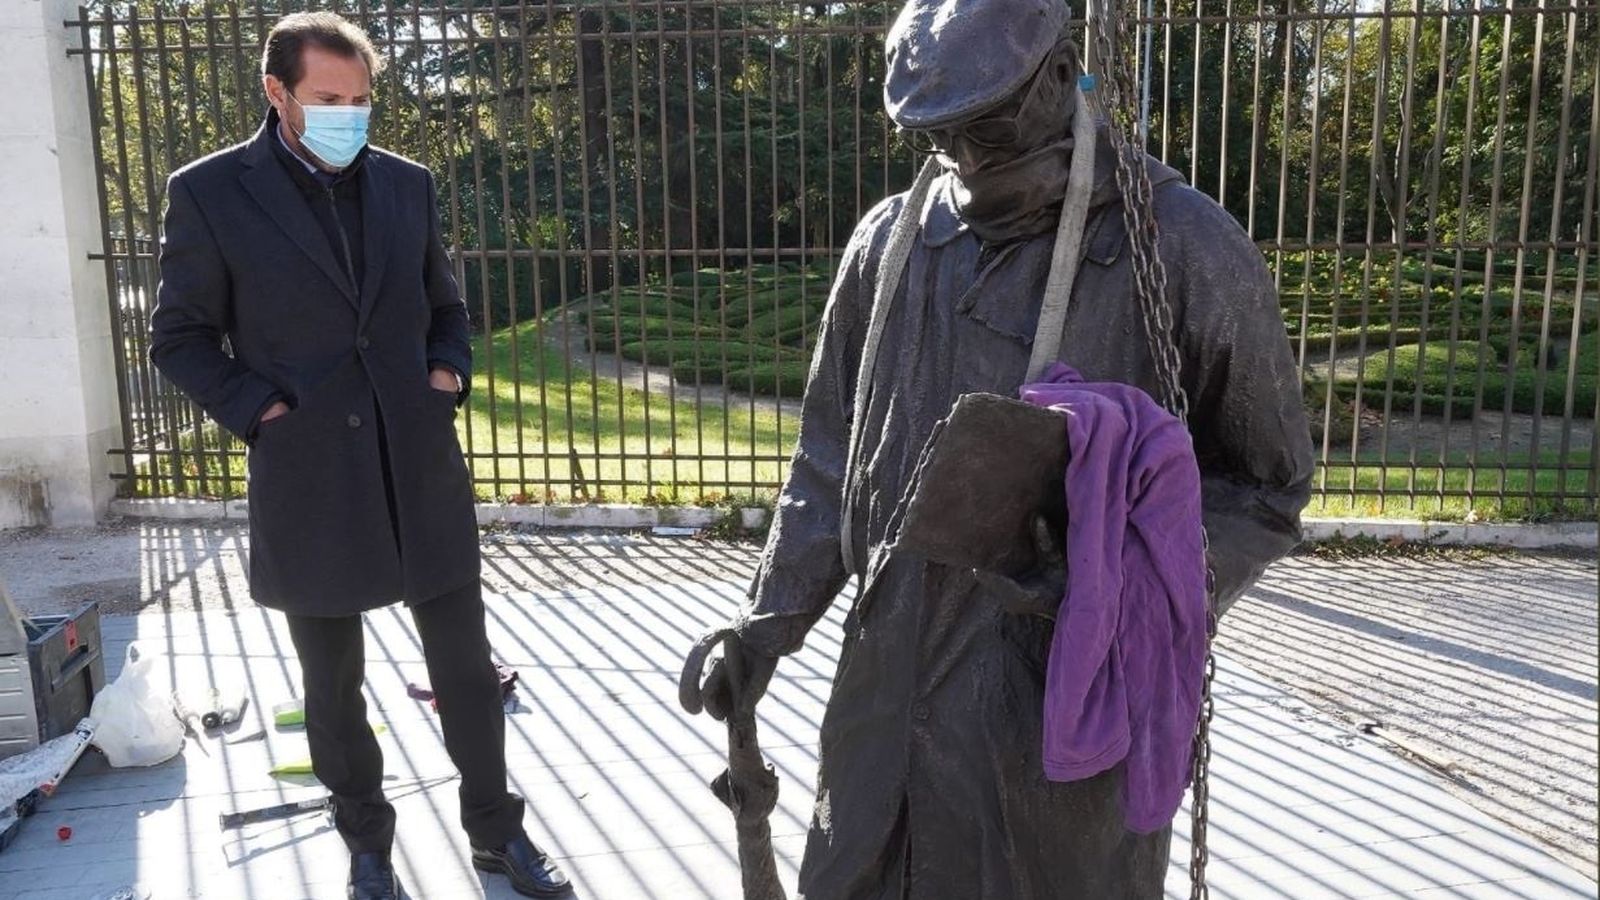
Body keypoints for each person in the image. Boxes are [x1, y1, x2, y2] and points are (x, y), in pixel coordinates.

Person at [685, 0, 1316, 897]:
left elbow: (1269, 487)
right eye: (942, 136)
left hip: (1058, 705)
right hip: (886, 690)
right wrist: (767, 626)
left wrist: (1116, 581)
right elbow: (829, 460)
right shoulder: (886, 246)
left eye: (988, 124)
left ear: (1060, 77)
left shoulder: (1179, 245)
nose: (969, 158)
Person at [148, 12, 569, 899]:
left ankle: (496, 834)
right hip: (307, 473)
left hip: (418, 463)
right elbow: (179, 338)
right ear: (278, 92)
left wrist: (445, 374)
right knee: (333, 684)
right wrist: (260, 411)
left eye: (362, 100)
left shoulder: (405, 185)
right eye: (329, 99)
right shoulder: (212, 192)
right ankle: (367, 847)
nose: (349, 114)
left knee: (465, 665)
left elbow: (445, 310)